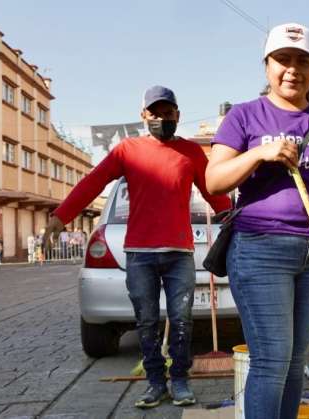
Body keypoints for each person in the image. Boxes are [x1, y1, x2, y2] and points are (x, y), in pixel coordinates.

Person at [204, 23, 309, 419]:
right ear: (267, 65)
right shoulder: (244, 117)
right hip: (259, 249)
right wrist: (261, 154)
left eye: (303, 61)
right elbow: (214, 179)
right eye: (283, 60)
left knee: (294, 362)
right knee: (272, 359)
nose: (293, 69)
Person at [43, 85, 231, 408]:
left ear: (177, 115)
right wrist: (61, 217)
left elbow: (216, 194)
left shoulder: (190, 153)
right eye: (155, 112)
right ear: (143, 115)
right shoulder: (127, 150)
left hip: (180, 253)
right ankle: (156, 382)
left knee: (182, 319)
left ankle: (181, 381)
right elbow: (94, 182)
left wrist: (235, 221)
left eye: (167, 112)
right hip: (140, 254)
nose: (161, 117)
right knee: (145, 320)